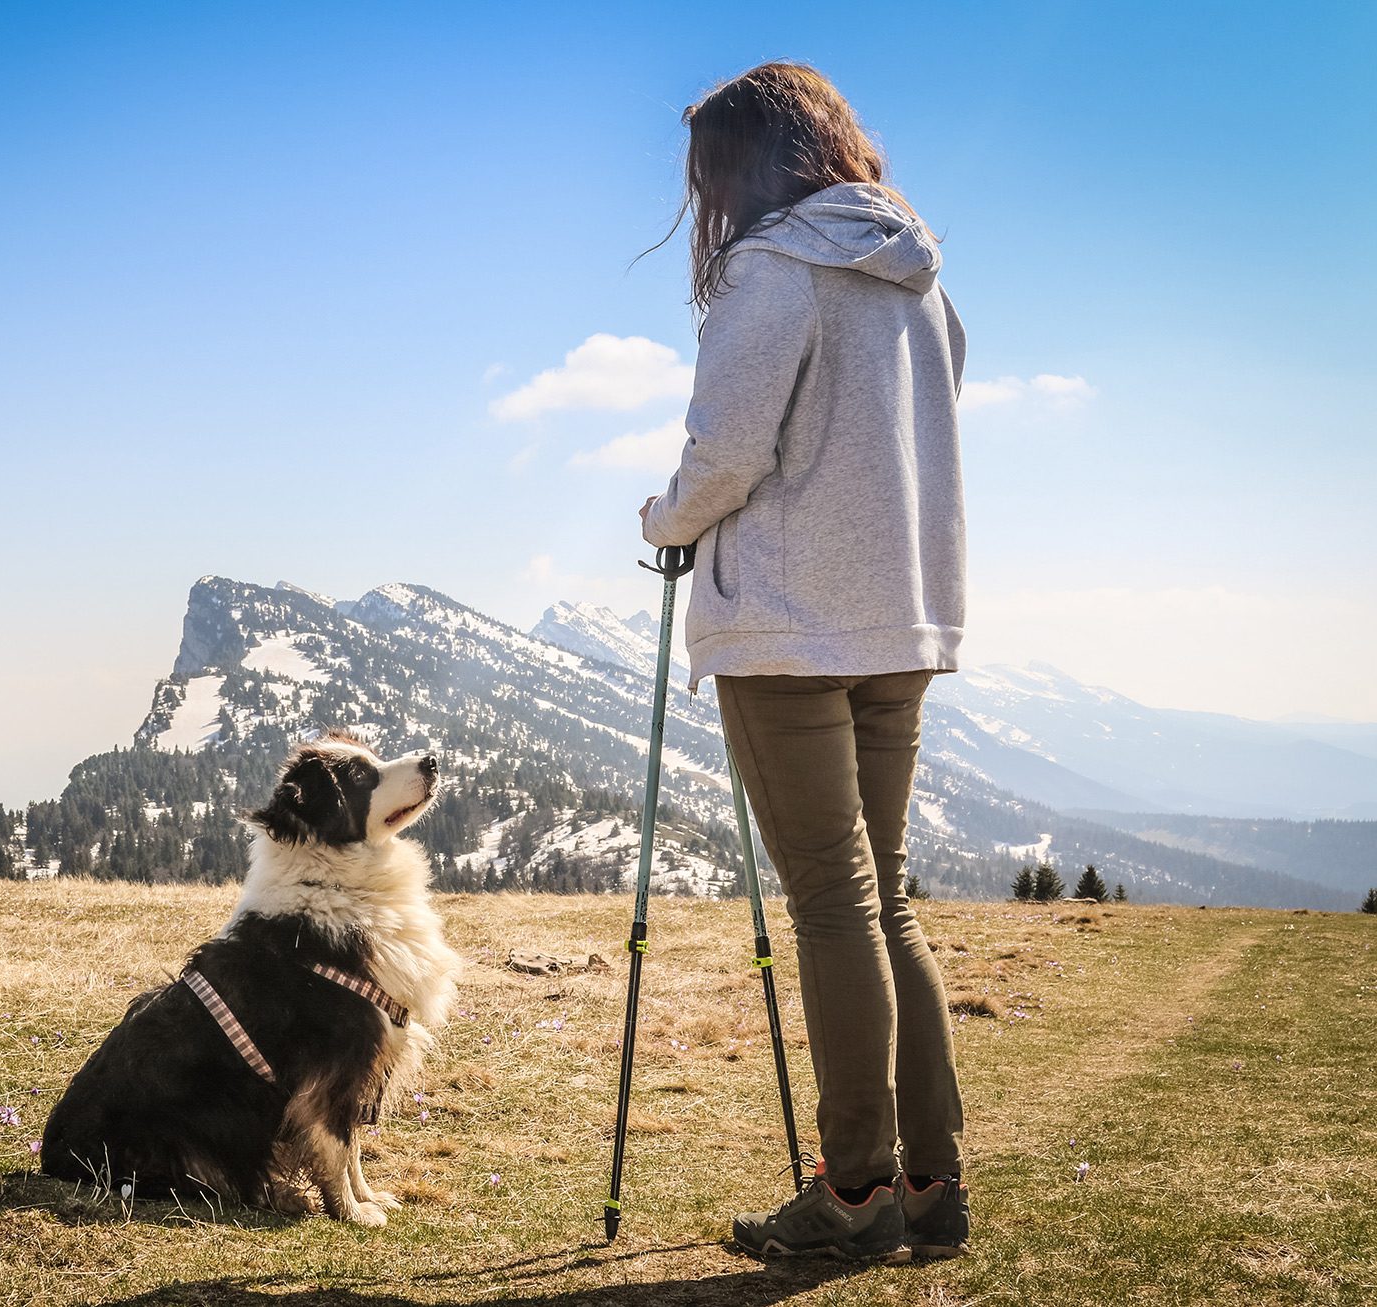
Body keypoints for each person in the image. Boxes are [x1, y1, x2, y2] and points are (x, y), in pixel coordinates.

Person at [636, 61, 971, 1263]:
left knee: (832, 902)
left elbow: (726, 450)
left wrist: (662, 519)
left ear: (746, 164)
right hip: (902, 616)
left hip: (788, 624)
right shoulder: (917, 277)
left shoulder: (768, 271)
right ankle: (929, 1186)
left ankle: (850, 1196)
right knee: (882, 896)